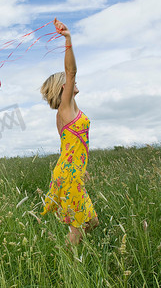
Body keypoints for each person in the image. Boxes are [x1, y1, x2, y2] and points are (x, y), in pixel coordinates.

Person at [40, 18, 99, 245]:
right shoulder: (66, 109)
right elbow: (71, 70)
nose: (75, 80)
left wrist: (81, 170)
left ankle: (69, 254)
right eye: (71, 80)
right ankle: (69, 266)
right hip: (68, 175)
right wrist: (68, 39)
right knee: (77, 229)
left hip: (71, 172)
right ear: (64, 87)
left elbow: (71, 148)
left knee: (91, 222)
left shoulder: (67, 112)